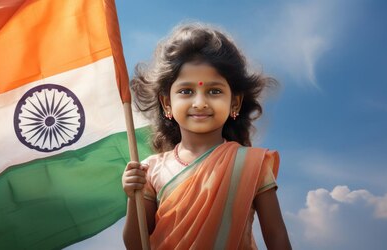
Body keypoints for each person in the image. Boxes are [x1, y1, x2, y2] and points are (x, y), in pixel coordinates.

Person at [122, 23, 291, 250]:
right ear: (167, 103)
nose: (200, 103)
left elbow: (276, 235)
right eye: (186, 91)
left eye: (214, 91)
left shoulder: (252, 164)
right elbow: (136, 245)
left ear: (235, 102)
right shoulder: (149, 170)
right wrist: (134, 197)